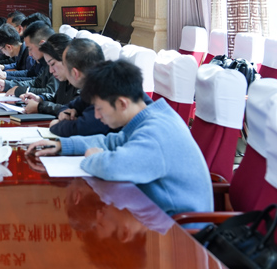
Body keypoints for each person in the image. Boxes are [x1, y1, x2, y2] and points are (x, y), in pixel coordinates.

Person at [28, 59, 213, 216]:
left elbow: (112, 167)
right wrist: (63, 145)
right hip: (152, 215)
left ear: (122, 104)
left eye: (99, 109)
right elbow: (111, 141)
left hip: (180, 231)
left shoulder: (157, 131)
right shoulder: (147, 118)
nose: (97, 116)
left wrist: (94, 157)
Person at [21, 33, 78, 116]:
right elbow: (57, 99)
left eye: (53, 64)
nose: (51, 71)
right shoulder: (65, 79)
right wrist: (40, 98)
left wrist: (40, 107)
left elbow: (71, 110)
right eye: (49, 65)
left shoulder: (81, 82)